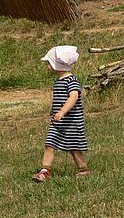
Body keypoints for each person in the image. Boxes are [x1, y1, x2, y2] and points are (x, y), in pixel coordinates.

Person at [32, 45, 90, 182]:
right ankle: (44, 171)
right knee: (50, 144)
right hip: (58, 122)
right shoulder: (59, 81)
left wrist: (62, 112)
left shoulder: (71, 80)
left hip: (71, 122)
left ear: (57, 64)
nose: (47, 66)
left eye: (49, 63)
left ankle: (84, 169)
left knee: (73, 147)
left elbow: (74, 97)